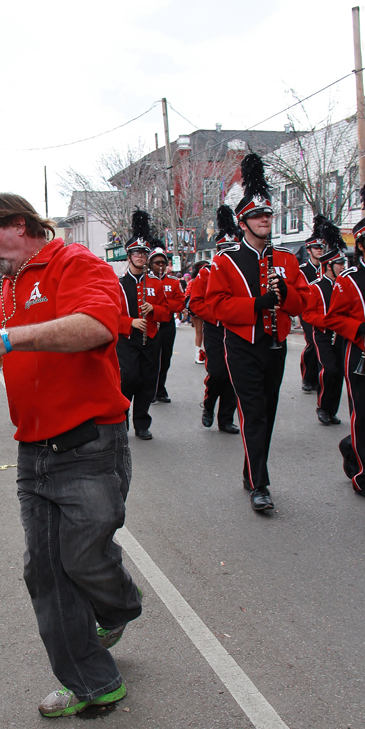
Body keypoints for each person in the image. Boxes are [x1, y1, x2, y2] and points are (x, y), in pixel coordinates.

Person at [0, 192, 141, 717]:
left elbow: (98, 326)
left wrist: (8, 339)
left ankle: (119, 604)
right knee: (46, 571)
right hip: (33, 449)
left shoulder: (76, 263)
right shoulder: (2, 284)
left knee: (85, 560)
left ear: (19, 224)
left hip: (88, 444)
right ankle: (92, 683)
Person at [206, 153, 309, 511]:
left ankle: (252, 472)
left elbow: (304, 305)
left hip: (276, 345)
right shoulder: (225, 260)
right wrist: (257, 304)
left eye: (267, 215)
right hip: (242, 345)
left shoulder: (287, 259)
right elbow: (215, 306)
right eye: (256, 215)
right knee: (253, 413)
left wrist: (286, 295)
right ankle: (261, 486)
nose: (264, 219)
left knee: (269, 409)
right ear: (243, 222)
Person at [325, 180, 365, 501]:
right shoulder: (348, 279)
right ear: (360, 244)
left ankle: (351, 446)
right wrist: (360, 327)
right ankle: (363, 476)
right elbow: (332, 318)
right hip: (361, 353)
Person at [116, 211, 170, 440]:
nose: (140, 256)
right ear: (128, 255)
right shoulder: (117, 284)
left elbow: (167, 313)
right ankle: (122, 417)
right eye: (136, 252)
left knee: (148, 381)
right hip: (127, 340)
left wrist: (154, 311)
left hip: (152, 338)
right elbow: (110, 315)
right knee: (128, 378)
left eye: (144, 253)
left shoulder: (156, 284)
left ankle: (142, 423)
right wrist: (131, 322)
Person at [189, 205, 240, 434]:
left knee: (234, 373)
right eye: (224, 249)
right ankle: (209, 404)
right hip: (215, 328)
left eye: (232, 248)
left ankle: (226, 418)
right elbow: (196, 303)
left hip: (238, 328)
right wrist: (219, 314)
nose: (228, 253)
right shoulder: (206, 272)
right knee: (218, 372)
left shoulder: (242, 271)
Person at [301, 218, 347, 426]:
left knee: (339, 374)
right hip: (323, 334)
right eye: (339, 264)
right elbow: (308, 315)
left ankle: (332, 410)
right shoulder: (316, 287)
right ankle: (322, 407)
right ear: (329, 266)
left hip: (342, 335)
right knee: (329, 370)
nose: (342, 267)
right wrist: (328, 322)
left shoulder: (345, 285)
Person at [148, 242, 185, 403]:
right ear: (151, 264)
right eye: (157, 263)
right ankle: (149, 390)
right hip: (150, 324)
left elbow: (181, 303)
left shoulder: (174, 282)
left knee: (166, 358)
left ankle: (160, 389)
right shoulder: (145, 281)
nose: (161, 266)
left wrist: (163, 307)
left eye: (163, 263)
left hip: (167, 324)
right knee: (151, 359)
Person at [298, 219, 327, 393]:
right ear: (309, 250)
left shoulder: (327, 268)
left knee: (323, 344)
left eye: (321, 248)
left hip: (323, 311)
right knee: (312, 342)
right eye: (316, 248)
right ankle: (308, 377)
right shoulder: (303, 269)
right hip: (307, 310)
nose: (319, 250)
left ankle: (320, 376)